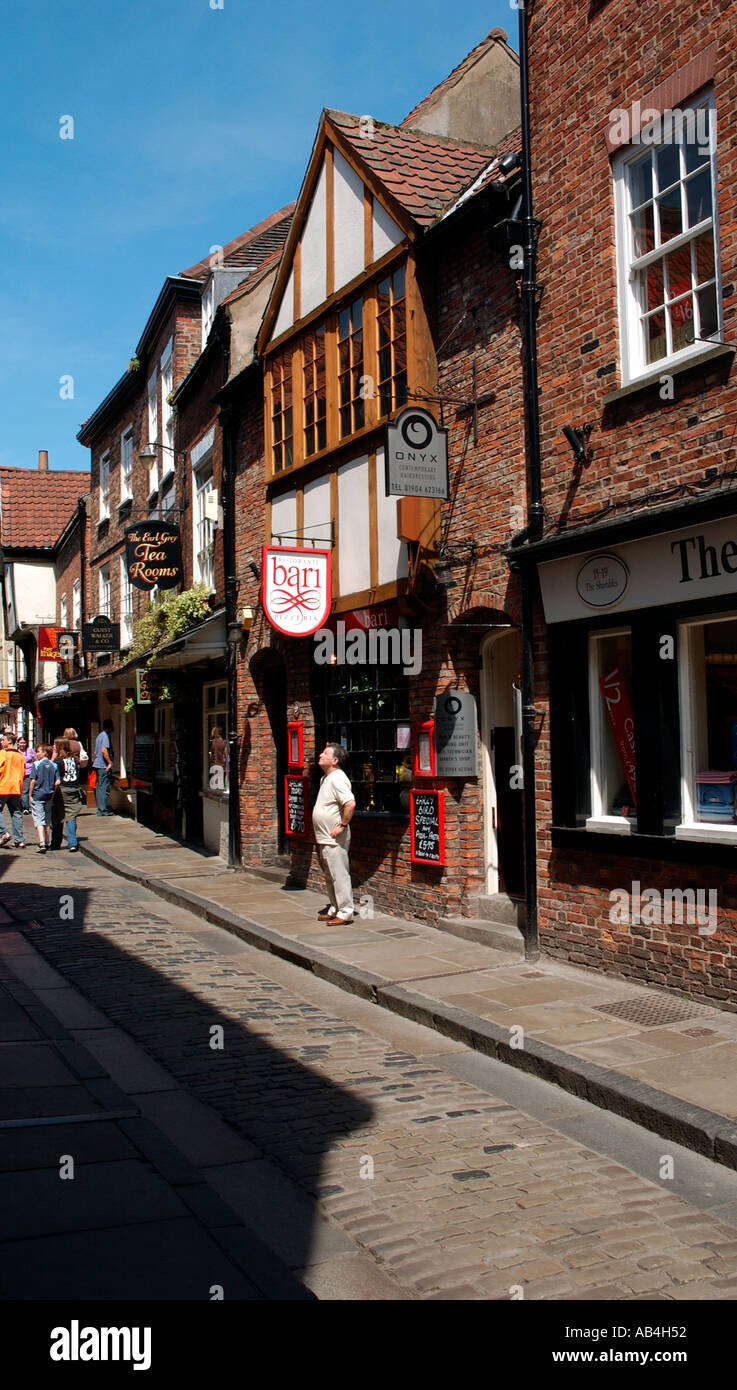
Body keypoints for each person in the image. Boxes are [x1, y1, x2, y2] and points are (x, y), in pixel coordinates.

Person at [312, 742, 356, 925]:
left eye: (325, 753)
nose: (320, 755)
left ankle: (345, 912)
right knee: (330, 875)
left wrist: (343, 825)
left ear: (335, 760)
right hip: (325, 837)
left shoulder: (337, 778)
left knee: (339, 874)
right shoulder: (326, 778)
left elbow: (350, 803)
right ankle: (335, 907)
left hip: (334, 837)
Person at [29, 744, 59, 853]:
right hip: (49, 795)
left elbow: (33, 780)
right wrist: (53, 793)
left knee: (38, 819)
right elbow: (57, 782)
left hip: (38, 794)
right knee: (47, 818)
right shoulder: (54, 765)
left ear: (45, 752)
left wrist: (30, 794)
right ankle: (47, 841)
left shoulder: (36, 764)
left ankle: (41, 842)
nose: (37, 753)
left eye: (38, 751)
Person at [54, 738, 82, 852]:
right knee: (71, 816)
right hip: (74, 788)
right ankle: (73, 843)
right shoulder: (74, 759)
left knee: (58, 816)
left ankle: (55, 843)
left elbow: (56, 776)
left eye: (55, 746)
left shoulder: (58, 761)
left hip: (62, 789)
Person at [0, 732, 26, 848]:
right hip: (16, 787)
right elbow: (23, 772)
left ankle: (3, 832)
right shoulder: (20, 755)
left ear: (9, 741)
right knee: (16, 813)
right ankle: (19, 840)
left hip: (3, 786)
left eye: (3, 739)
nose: (1, 742)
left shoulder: (2, 753)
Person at [92, 719, 115, 815]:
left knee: (99, 787)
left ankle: (100, 809)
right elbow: (103, 750)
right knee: (104, 787)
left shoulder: (99, 736)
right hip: (103, 766)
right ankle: (103, 809)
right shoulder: (105, 736)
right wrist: (109, 763)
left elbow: (95, 751)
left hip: (97, 764)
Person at [19, 736, 37, 814]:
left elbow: (35, 759)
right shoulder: (16, 751)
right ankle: (24, 806)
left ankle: (27, 807)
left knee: (28, 790)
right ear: (17, 743)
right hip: (20, 773)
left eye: (24, 742)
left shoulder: (30, 750)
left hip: (29, 772)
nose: (22, 744)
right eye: (21, 742)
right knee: (23, 790)